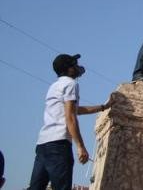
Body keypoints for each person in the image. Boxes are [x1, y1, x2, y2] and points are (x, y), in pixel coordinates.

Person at [29, 54, 114, 190]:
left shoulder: (54, 86)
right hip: (59, 145)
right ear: (68, 69)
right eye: (74, 64)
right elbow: (70, 117)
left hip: (42, 145)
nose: (77, 67)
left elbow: (75, 110)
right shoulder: (71, 84)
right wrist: (80, 147)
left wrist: (103, 107)